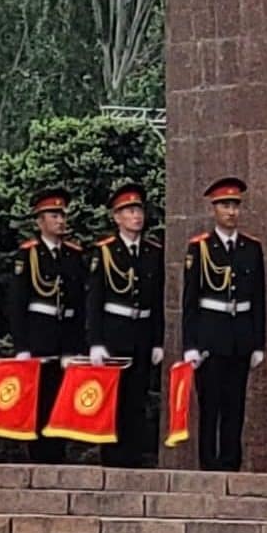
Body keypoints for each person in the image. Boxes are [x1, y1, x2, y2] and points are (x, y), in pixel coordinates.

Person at [181, 176, 266, 471]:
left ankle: (231, 463)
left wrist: (258, 343)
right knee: (210, 405)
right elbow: (190, 301)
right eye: (225, 206)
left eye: (235, 206)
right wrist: (190, 345)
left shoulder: (251, 248)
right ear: (214, 209)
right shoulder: (200, 248)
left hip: (240, 336)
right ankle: (209, 464)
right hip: (210, 336)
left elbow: (259, 298)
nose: (231, 212)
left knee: (235, 405)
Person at [86, 183, 165, 468]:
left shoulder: (153, 252)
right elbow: (94, 301)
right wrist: (96, 342)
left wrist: (157, 340)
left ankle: (133, 458)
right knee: (113, 400)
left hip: (141, 331)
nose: (136, 216)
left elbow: (157, 301)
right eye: (129, 211)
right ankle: (112, 459)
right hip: (114, 332)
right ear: (117, 217)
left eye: (138, 210)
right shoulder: (106, 251)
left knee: (137, 399)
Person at [9, 188, 85, 464]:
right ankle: (38, 457)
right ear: (40, 221)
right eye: (54, 216)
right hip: (38, 335)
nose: (60, 221)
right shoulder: (28, 254)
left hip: (65, 335)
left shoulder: (73, 254)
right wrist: (22, 346)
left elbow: (79, 304)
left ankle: (57, 455)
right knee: (39, 400)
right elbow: (17, 304)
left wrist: (75, 347)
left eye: (62, 215)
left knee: (61, 399)